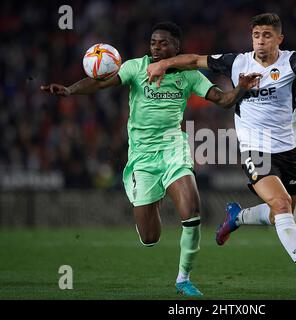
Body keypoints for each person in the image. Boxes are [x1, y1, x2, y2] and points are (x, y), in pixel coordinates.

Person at [146, 13, 296, 296]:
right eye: (256, 36)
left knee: (284, 211)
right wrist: (163, 63)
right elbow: (194, 60)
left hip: (286, 150)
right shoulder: (237, 62)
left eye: (267, 35)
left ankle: (237, 217)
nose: (260, 41)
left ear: (279, 38)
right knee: (281, 205)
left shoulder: (291, 62)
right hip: (254, 148)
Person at [41, 21, 261, 297]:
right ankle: (149, 196)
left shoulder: (189, 75)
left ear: (176, 47)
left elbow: (224, 100)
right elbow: (102, 83)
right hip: (142, 156)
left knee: (192, 211)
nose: (156, 47)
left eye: (163, 43)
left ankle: (183, 279)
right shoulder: (136, 67)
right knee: (149, 238)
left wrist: (240, 87)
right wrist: (71, 90)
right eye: (153, 42)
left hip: (174, 148)